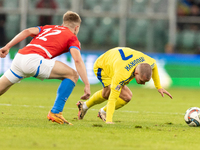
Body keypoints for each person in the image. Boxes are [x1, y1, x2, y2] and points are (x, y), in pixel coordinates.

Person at [0, 11, 91, 125]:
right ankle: (56, 112)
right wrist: (87, 84)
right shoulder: (72, 37)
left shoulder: (48, 28)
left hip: (20, 57)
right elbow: (77, 60)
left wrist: (7, 46)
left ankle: (56, 112)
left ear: (64, 23)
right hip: (34, 60)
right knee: (72, 75)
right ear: (76, 28)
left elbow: (27, 31)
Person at [76, 47, 173, 124]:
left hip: (116, 58)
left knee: (110, 93)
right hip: (102, 65)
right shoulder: (122, 75)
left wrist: (158, 86)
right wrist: (109, 120)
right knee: (116, 94)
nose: (143, 83)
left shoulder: (149, 62)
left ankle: (84, 106)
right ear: (136, 73)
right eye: (142, 80)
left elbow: (154, 66)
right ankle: (102, 112)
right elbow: (113, 98)